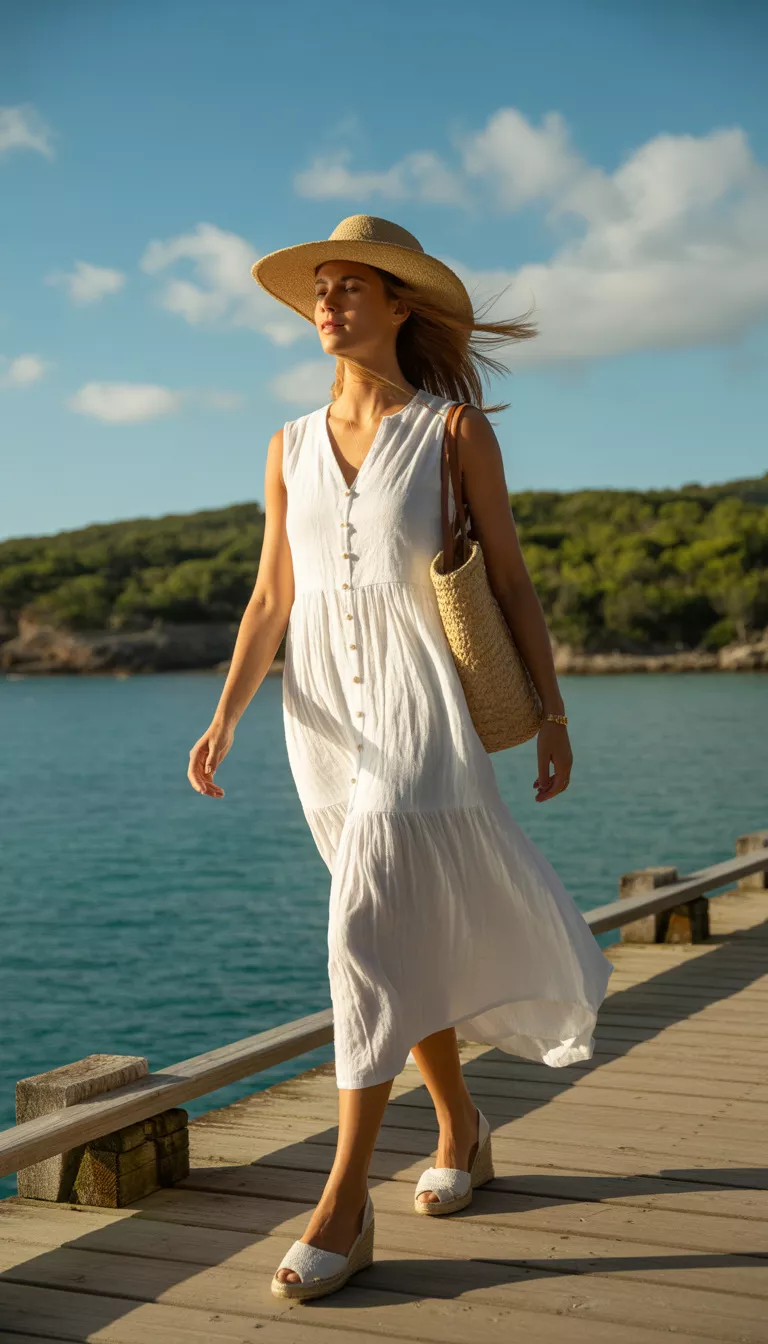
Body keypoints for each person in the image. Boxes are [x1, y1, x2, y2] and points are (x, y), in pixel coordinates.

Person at [187, 214, 614, 1301]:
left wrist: (553, 713)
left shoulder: (453, 433)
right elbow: (274, 596)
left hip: (426, 711)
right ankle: (462, 1126)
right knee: (395, 927)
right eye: (318, 290)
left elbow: (510, 583)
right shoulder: (286, 444)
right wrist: (229, 713)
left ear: (399, 306)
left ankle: (344, 1199)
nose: (326, 305)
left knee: (367, 923)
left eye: (348, 289)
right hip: (323, 717)